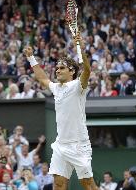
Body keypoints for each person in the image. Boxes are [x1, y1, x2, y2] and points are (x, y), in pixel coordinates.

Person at [23, 33, 98, 190]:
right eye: (56, 68)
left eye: (61, 68)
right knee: (58, 185)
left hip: (79, 145)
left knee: (88, 186)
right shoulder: (56, 88)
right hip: (61, 145)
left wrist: (81, 50)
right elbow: (42, 78)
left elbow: (87, 71)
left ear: (71, 72)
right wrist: (31, 58)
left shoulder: (79, 86)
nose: (57, 70)